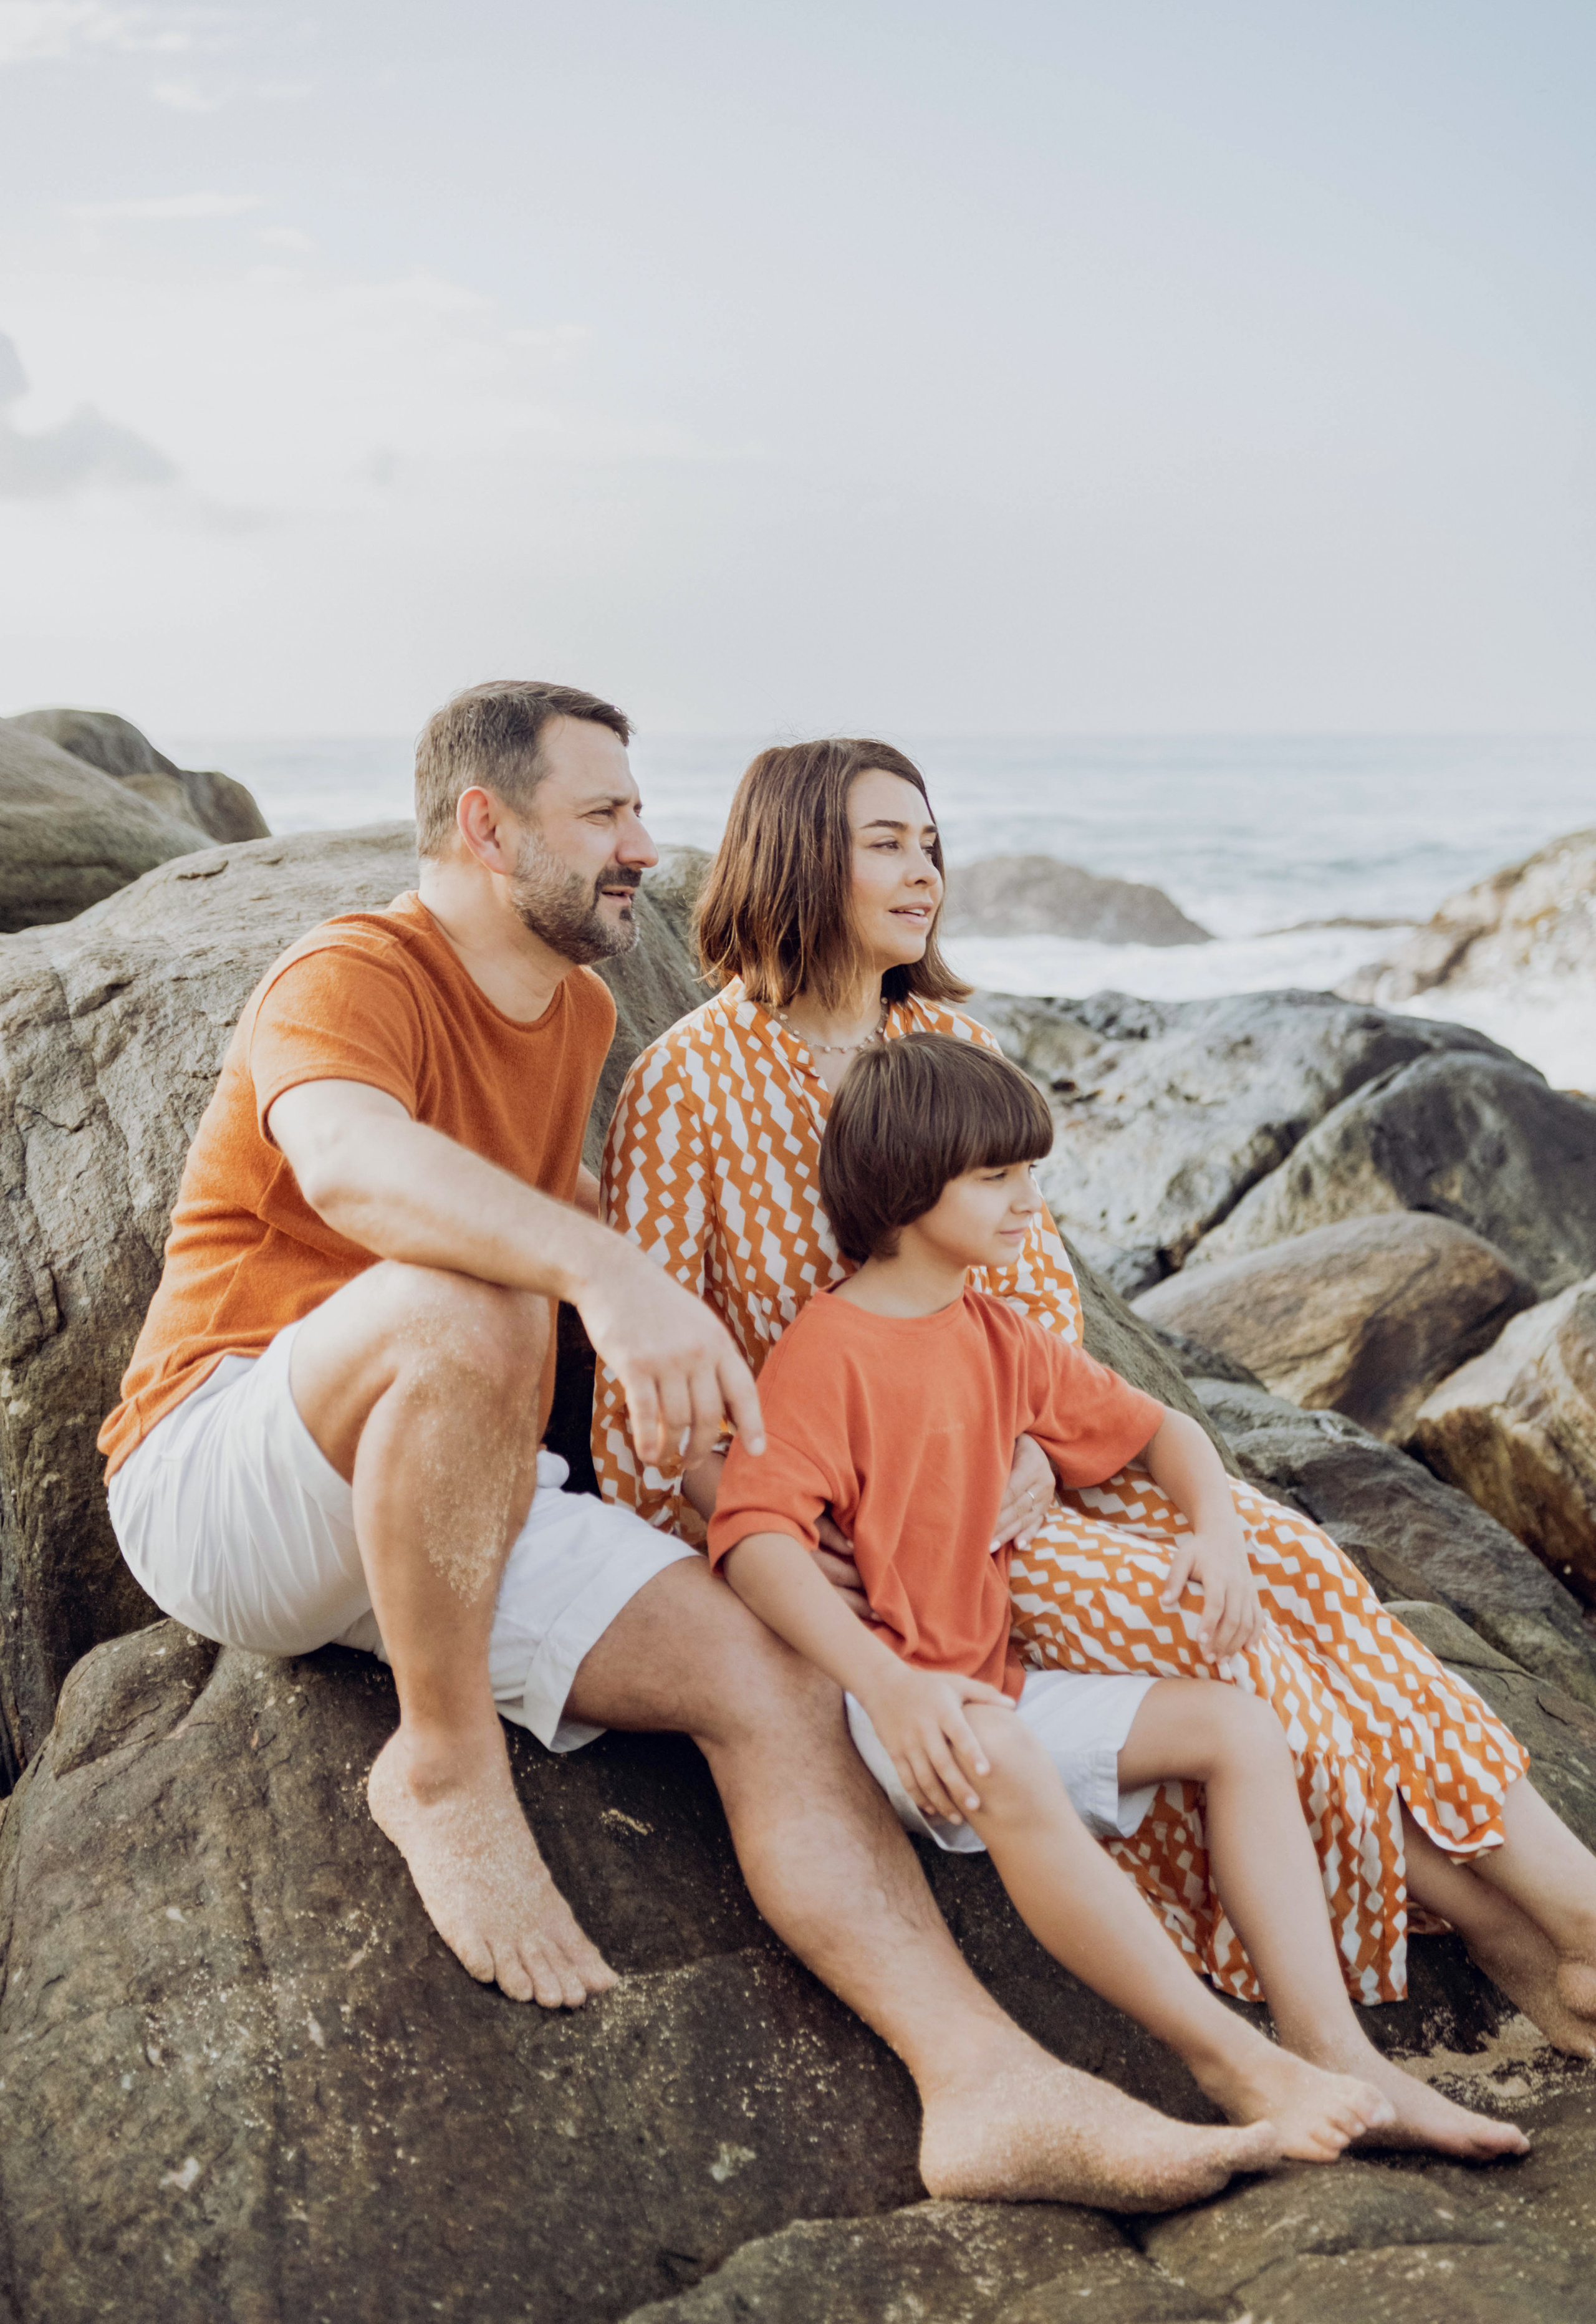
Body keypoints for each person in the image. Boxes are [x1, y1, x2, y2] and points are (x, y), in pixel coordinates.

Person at [99, 678, 1296, 2216]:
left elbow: (608, 1247)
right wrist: (605, 1274)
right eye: (601, 814)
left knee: (775, 1671)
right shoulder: (350, 971)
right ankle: (445, 1763)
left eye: (639, 813)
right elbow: (353, 1164)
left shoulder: (582, 1010)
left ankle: (982, 2089)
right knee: (479, 1300)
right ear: (484, 823)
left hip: (451, 1497)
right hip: (227, 1471)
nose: (644, 849)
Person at [595, 734, 1596, 2134]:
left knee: (1280, 1557)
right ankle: (1511, 1927)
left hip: (1024, 1466)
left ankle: (1559, 1919)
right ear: (794, 855)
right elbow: (650, 1386)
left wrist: (1034, 1453)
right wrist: (753, 1522)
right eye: (885, 841)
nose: (923, 870)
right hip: (864, 1524)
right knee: (1201, 1631)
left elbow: (1038, 1316)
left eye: (930, 842)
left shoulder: (952, 1044)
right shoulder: (688, 1085)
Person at [709, 1032, 1514, 2160]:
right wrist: (884, 1684)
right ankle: (1232, 2071)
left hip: (995, 1690)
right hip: (896, 1713)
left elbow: (1165, 1430)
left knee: (1238, 1726)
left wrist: (1218, 1535)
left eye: (1030, 1173)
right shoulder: (824, 1353)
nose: (1029, 1202)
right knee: (1009, 1749)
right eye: (997, 1177)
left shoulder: (994, 1335)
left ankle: (1335, 2049)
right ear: (903, 1182)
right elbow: (751, 1537)